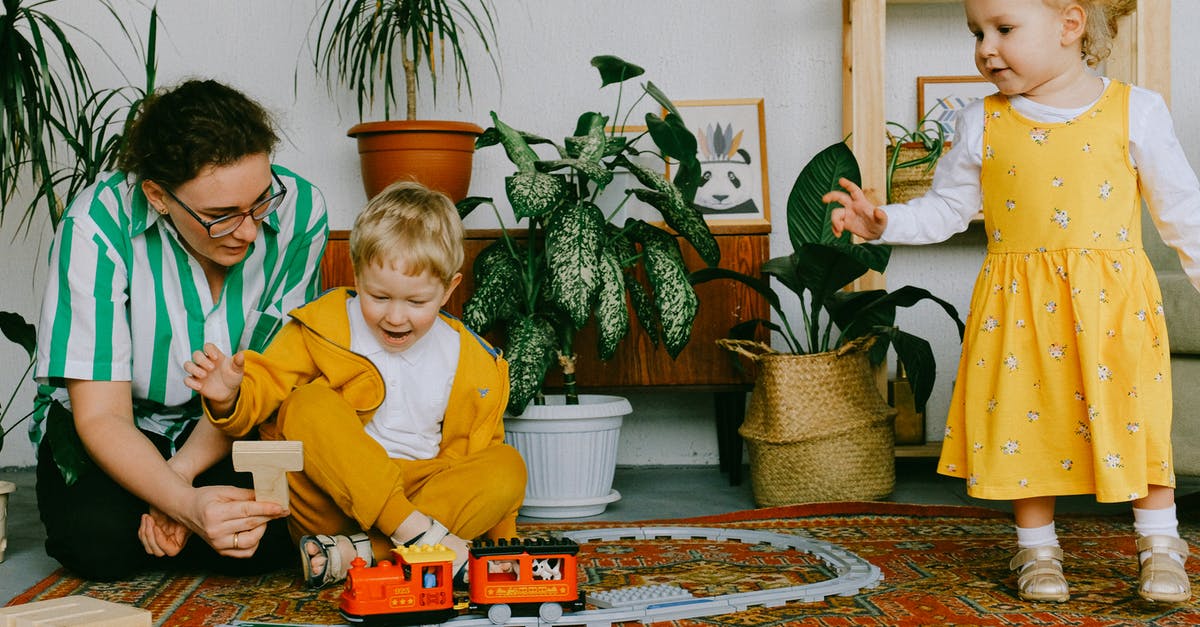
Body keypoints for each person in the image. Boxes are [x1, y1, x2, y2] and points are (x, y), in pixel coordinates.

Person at [822, 0, 1199, 604]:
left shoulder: (1136, 110)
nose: (985, 48)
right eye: (977, 33)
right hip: (1019, 306)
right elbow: (948, 209)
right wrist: (882, 220)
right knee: (1028, 418)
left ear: (1070, 26)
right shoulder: (982, 121)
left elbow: (1184, 213)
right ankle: (1037, 546)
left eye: (1003, 30)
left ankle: (1159, 542)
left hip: (1112, 307)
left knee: (1133, 419)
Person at [32, 79, 329, 581]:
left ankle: (177, 520)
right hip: (118, 429)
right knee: (99, 546)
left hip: (233, 424)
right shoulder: (95, 226)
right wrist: (187, 505)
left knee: (268, 542)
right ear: (158, 196)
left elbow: (266, 379)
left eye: (260, 202)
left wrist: (179, 482)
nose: (250, 230)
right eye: (220, 216)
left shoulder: (301, 212)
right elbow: (103, 416)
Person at [183, 180, 526, 588]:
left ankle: (359, 553)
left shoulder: (474, 361)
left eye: (416, 303)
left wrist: (504, 549)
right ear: (357, 274)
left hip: (425, 498)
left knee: (508, 466)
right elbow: (266, 387)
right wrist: (229, 397)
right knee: (307, 404)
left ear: (449, 289)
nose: (395, 317)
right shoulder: (323, 325)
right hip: (332, 497)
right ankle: (413, 536)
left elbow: (483, 449)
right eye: (379, 297)